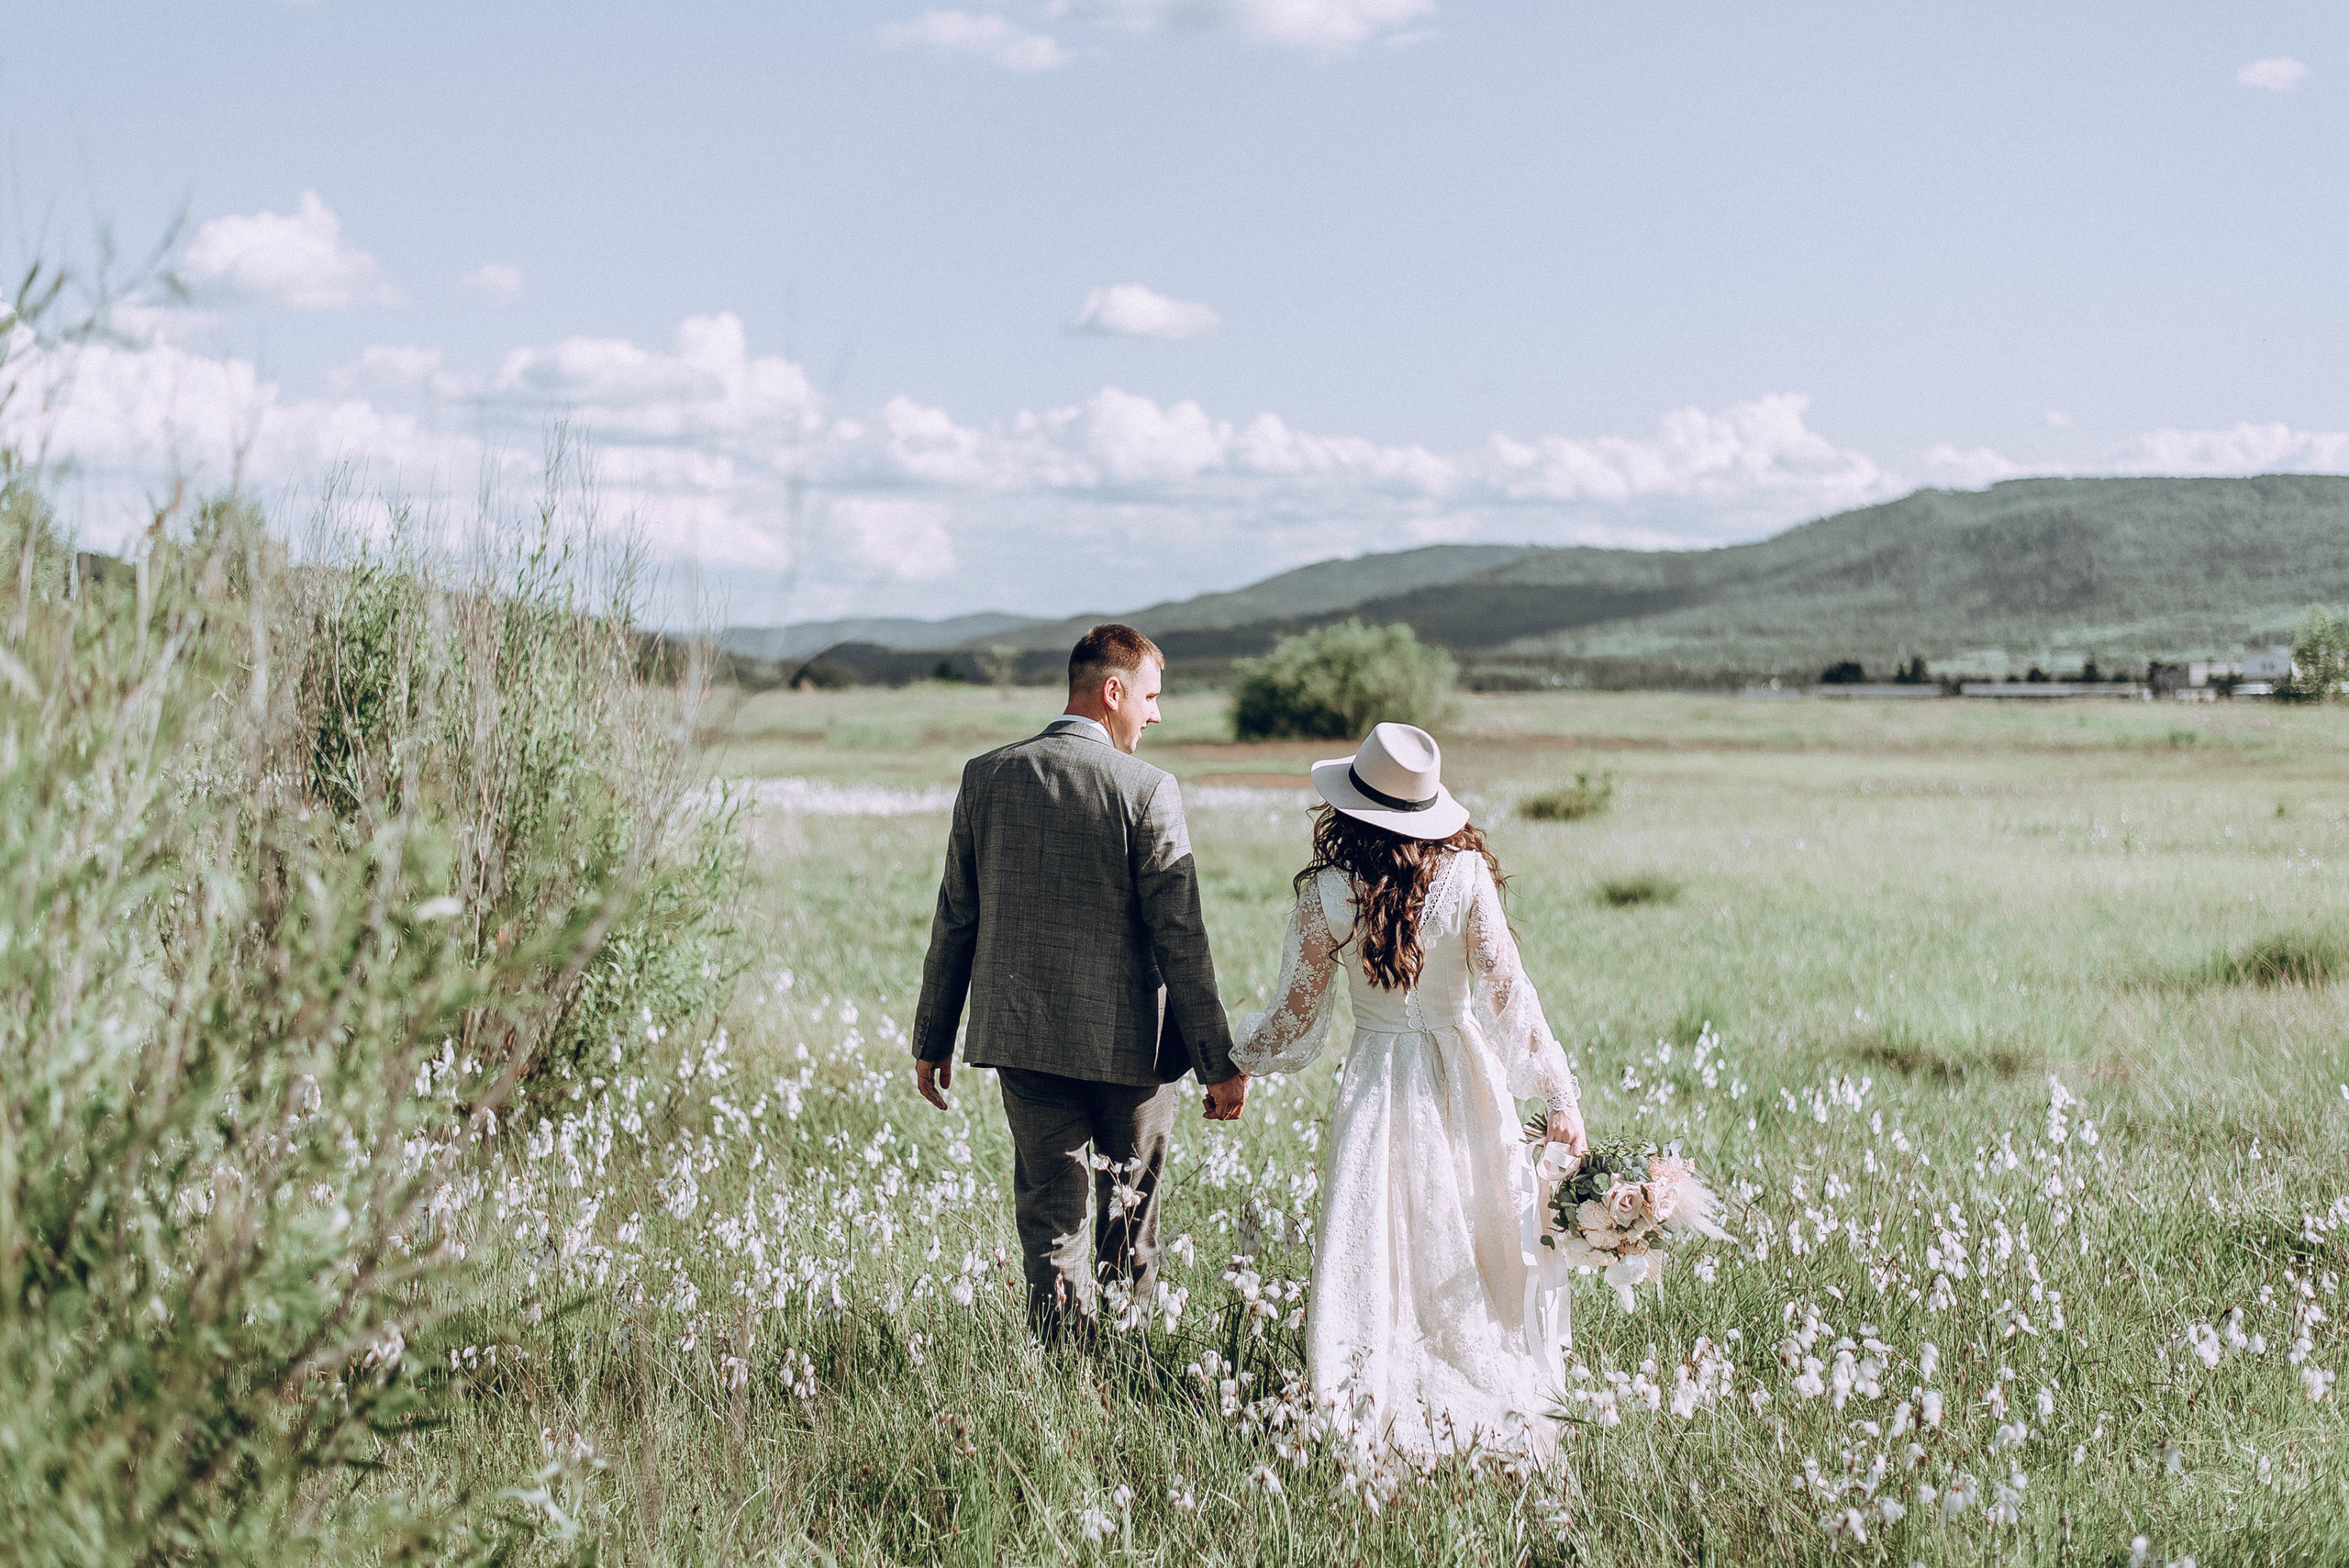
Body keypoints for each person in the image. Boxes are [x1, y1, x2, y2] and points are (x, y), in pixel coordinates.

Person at [1231, 721, 1587, 1458]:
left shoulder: (1329, 893)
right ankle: (1481, 1382)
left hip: (1377, 1082)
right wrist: (1560, 1096)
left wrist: (1235, 1060)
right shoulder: (1466, 877)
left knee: (1384, 1231)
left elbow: (1295, 1018)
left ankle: (1376, 1379)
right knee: (1470, 1223)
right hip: (1467, 1073)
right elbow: (1508, 995)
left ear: (1351, 807)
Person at [910, 624, 1249, 1341]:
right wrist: (1219, 1062)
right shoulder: (1148, 789)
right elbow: (1181, 936)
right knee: (1130, 1223)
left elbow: (956, 918)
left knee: (1049, 1220)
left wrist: (932, 1036)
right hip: (1134, 1054)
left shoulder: (986, 776)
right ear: (1112, 690)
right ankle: (1123, 1373)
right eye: (1151, 697)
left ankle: (1066, 1372)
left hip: (1024, 1041)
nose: (1155, 714)